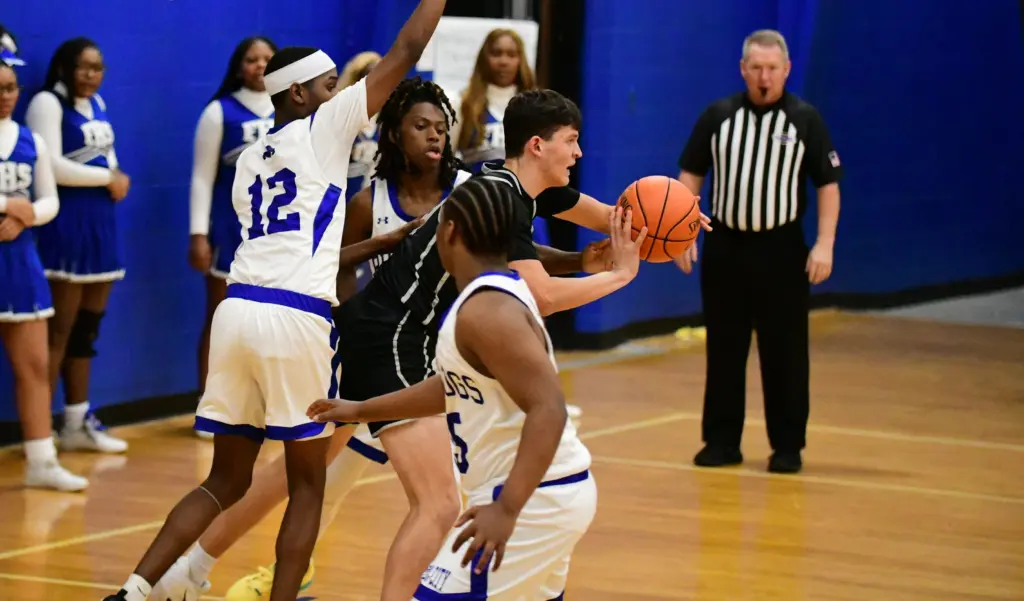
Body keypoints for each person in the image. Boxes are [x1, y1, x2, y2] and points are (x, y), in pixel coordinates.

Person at [101, 2, 447, 600]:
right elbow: (407, 49)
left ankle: (133, 590)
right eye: (330, 85)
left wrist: (373, 244)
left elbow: (288, 249)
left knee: (224, 479)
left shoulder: (249, 162)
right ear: (299, 94)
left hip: (237, 310)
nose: (340, 93)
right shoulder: (325, 125)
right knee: (307, 484)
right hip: (296, 319)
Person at [307, 176, 640, 599]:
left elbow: (549, 409)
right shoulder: (485, 299)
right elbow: (453, 386)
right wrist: (360, 410)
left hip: (531, 500)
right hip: (542, 495)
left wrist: (507, 508)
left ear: (448, 232)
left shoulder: (488, 311)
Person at [209, 76, 472, 601]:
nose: (434, 136)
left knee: (439, 494)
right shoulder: (369, 201)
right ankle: (195, 567)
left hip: (444, 361)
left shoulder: (468, 191)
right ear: (394, 134)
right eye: (421, 126)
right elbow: (333, 273)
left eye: (441, 128)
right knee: (301, 479)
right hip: (379, 359)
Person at [674, 29, 842, 474]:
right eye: (756, 68)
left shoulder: (805, 119)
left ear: (786, 70)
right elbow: (690, 176)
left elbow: (828, 185)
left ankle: (787, 446)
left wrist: (824, 244)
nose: (764, 77)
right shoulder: (718, 116)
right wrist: (683, 234)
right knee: (724, 347)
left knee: (785, 350)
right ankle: (721, 442)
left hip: (781, 248)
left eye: (772, 68)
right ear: (743, 70)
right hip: (726, 246)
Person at [25, 37, 131, 455]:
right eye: (84, 67)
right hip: (67, 225)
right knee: (59, 331)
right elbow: (50, 165)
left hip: (101, 225)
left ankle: (76, 421)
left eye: (98, 67)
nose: (91, 75)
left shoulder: (97, 104)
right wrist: (108, 179)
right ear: (65, 68)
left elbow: (109, 158)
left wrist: (115, 174)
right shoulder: (47, 103)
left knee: (86, 331)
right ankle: (40, 433)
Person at [0, 58, 88, 492]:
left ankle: (41, 460)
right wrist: (8, 205)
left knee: (34, 364)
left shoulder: (29, 139)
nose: (5, 96)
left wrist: (26, 215)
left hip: (20, 260)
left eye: (10, 87)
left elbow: (50, 201)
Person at [188, 36, 276, 438]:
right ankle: (210, 406)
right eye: (251, 59)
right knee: (221, 319)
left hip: (276, 234)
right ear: (239, 66)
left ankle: (258, 404)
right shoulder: (219, 112)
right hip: (229, 230)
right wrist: (198, 233)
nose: (259, 65)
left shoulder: (290, 110)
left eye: (267, 59)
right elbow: (202, 178)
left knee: (269, 322)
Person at [341, 50, 383, 201]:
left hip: (377, 202)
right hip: (345, 200)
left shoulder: (390, 119)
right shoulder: (342, 118)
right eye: (369, 78)